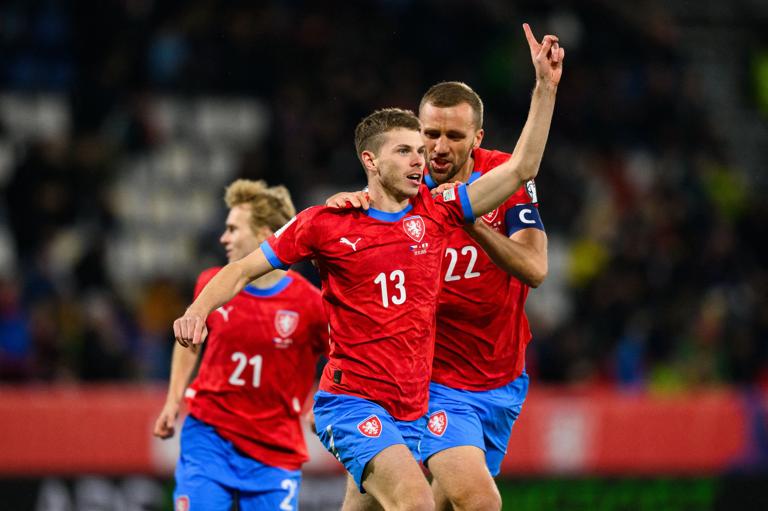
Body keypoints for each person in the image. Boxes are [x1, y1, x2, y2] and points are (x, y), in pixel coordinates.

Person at [173, 23, 562, 511]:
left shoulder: (440, 210)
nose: (424, 159)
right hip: (354, 399)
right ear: (371, 161)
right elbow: (241, 270)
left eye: (421, 151)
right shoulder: (326, 222)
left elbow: (523, 167)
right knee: (427, 503)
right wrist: (197, 310)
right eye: (409, 149)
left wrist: (545, 87)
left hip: (416, 401)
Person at [327, 24, 557, 511]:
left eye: (454, 136)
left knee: (396, 499)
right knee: (478, 500)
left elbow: (535, 268)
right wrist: (347, 204)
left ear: (477, 138)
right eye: (429, 134)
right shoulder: (403, 188)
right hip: (429, 377)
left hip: (500, 375)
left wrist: (470, 221)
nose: (438, 147)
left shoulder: (500, 180)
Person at [153, 179, 328, 511]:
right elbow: (189, 341)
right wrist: (173, 401)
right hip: (210, 437)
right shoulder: (211, 284)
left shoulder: (310, 303)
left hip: (275, 451)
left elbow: (343, 357)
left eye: (233, 229)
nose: (224, 238)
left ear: (264, 234)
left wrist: (325, 403)